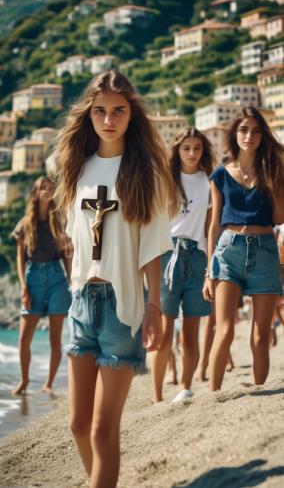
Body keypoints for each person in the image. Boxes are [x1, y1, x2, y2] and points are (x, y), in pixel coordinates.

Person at [54, 69, 174, 488]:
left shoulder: (146, 174)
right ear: (89, 115)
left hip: (123, 308)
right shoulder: (77, 170)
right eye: (100, 111)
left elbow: (153, 247)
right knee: (76, 425)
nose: (109, 120)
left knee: (104, 431)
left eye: (118, 111)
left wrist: (155, 304)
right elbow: (76, 239)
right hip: (81, 304)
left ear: (131, 115)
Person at [203, 106, 284, 391]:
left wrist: (276, 184)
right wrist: (208, 271)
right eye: (243, 129)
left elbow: (278, 218)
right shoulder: (220, 175)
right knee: (223, 331)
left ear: (262, 135)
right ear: (234, 133)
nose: (249, 136)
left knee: (261, 335)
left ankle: (260, 389)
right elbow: (213, 225)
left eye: (256, 130)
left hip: (265, 250)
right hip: (229, 250)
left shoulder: (273, 170)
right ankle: (213, 397)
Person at [151, 127, 215, 403]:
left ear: (203, 151)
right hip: (167, 255)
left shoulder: (210, 181)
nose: (191, 153)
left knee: (190, 334)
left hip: (197, 257)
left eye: (197, 148)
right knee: (164, 334)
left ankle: (186, 388)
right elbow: (151, 223)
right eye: (186, 148)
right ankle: (156, 396)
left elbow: (213, 227)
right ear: (177, 150)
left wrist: (211, 266)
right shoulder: (165, 180)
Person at [11, 176, 72, 395]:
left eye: (50, 187)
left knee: (55, 338)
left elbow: (66, 254)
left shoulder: (60, 221)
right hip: (33, 277)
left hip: (57, 277)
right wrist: (23, 287)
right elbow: (20, 258)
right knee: (23, 338)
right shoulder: (25, 224)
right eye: (42, 188)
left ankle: (49, 383)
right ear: (35, 193)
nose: (47, 190)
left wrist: (71, 278)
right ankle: (25, 380)